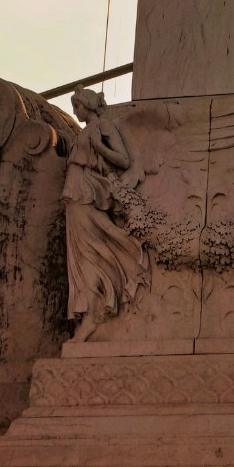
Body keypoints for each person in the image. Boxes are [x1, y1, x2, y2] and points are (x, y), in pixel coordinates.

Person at [61, 89, 146, 339]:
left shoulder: (103, 126)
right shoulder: (84, 131)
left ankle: (94, 311)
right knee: (81, 255)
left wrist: (99, 146)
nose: (75, 112)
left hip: (86, 194)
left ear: (87, 105)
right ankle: (92, 309)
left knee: (89, 255)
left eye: (77, 106)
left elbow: (123, 159)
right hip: (76, 195)